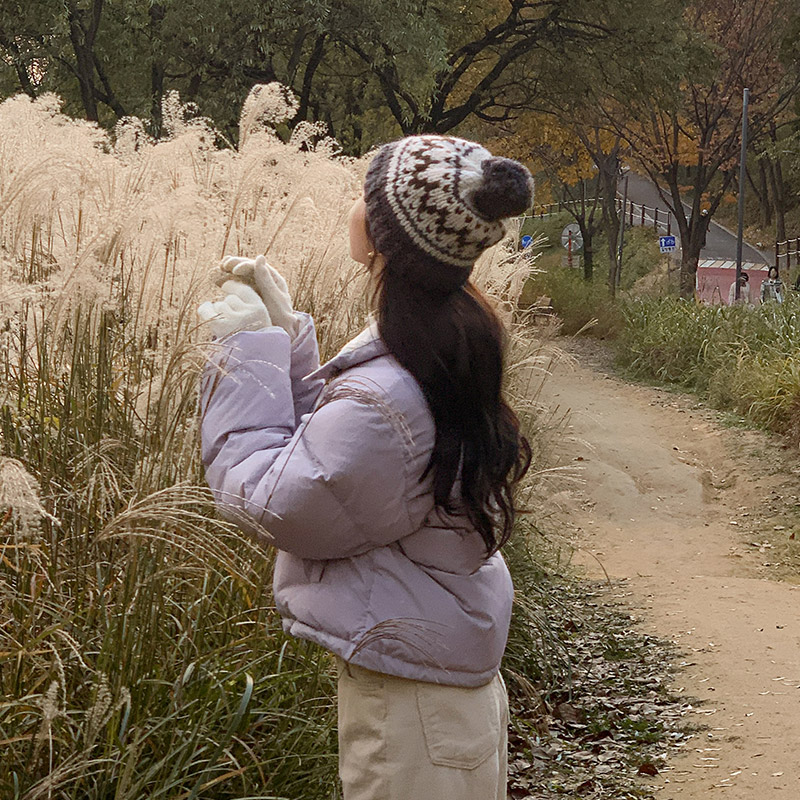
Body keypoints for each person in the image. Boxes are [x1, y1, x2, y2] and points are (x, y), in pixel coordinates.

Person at [198, 136, 533, 800]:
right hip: (433, 692)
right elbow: (337, 464)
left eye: (366, 195)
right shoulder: (435, 344)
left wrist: (244, 350)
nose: (354, 205)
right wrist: (287, 336)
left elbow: (273, 498)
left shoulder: (390, 393)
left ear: (388, 238)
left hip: (413, 717)